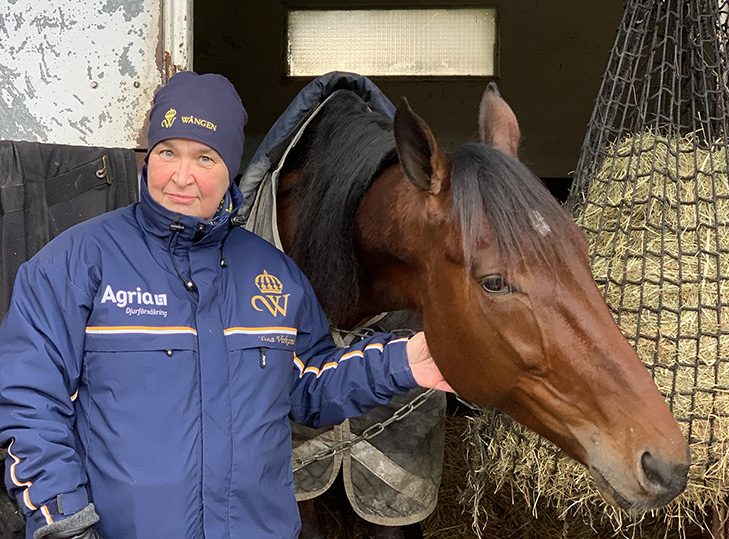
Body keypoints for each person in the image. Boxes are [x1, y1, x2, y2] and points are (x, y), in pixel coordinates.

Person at [0, 71, 451, 539]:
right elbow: (29, 405)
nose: (181, 175)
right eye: (166, 152)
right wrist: (66, 524)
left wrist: (406, 361)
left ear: (230, 169)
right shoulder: (75, 265)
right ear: (148, 156)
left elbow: (308, 385)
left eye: (204, 157)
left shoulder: (273, 275)